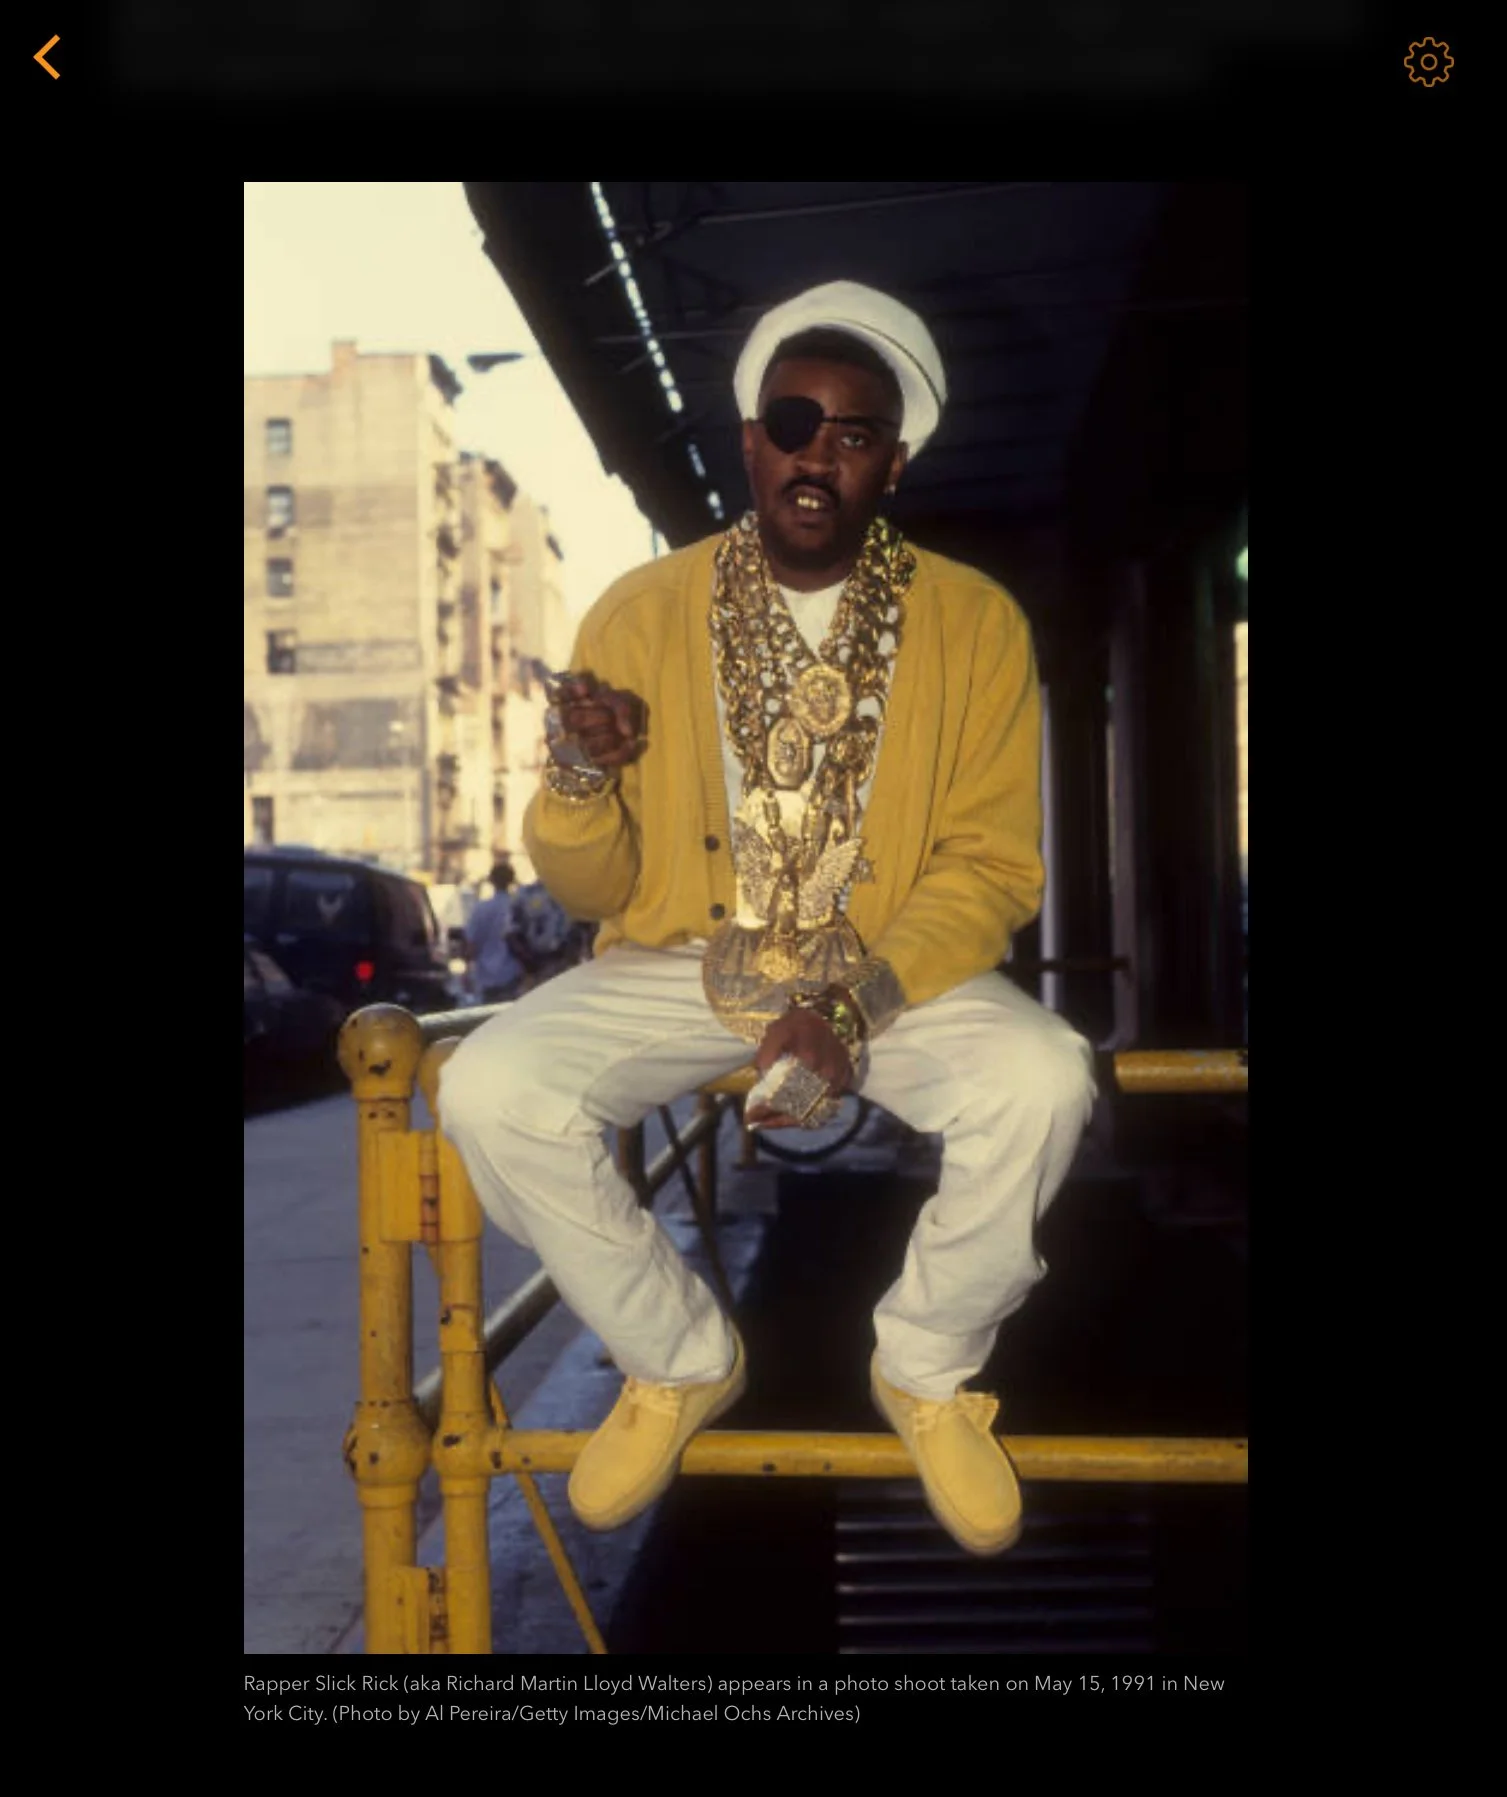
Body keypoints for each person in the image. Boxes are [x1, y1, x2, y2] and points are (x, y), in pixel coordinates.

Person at [439, 280, 1097, 1557]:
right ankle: (676, 1357)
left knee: (1044, 1077)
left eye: (853, 435)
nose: (816, 455)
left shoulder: (972, 622)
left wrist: (854, 1005)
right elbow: (591, 891)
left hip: (888, 967)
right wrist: (579, 776)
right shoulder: (641, 610)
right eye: (793, 424)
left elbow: (989, 867)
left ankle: (926, 1367)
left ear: (892, 462)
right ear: (750, 439)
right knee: (489, 1087)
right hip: (688, 957)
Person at [463, 859, 526, 1004]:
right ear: (511, 880)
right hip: (512, 973)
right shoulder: (517, 906)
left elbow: (471, 945)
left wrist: (466, 973)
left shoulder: (480, 909)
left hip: (486, 976)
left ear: (491, 881)